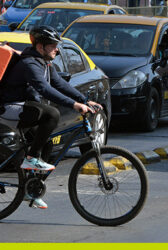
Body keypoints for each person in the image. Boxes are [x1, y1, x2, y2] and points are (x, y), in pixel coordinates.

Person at [0, 26, 102, 209]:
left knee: (47, 143)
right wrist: (74, 105)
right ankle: (30, 158)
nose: (57, 49)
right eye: (53, 45)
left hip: (25, 108)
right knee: (52, 113)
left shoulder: (45, 63)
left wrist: (85, 99)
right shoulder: (30, 64)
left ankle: (32, 189)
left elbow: (60, 84)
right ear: (40, 46)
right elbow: (44, 89)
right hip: (10, 108)